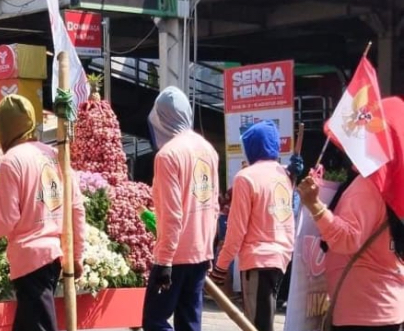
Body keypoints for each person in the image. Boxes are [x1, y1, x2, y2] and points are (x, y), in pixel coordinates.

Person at [0, 95, 85, 331]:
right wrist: (77, 254)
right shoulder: (55, 155)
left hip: (29, 259)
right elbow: (76, 207)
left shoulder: (12, 161)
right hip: (53, 256)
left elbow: (6, 220)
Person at [297, 95, 404, 331]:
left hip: (363, 313)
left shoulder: (367, 187)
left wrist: (314, 205)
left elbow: (347, 239)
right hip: (383, 307)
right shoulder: (391, 185)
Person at [143, 87, 220, 331]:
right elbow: (213, 205)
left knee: (154, 320)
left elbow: (172, 214)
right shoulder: (208, 150)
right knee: (189, 322)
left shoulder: (167, 156)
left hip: (174, 256)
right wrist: (209, 250)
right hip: (199, 252)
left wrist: (164, 261)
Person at [209, 121, 296, 331]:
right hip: (282, 258)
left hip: (258, 260)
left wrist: (220, 266)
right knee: (264, 322)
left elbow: (236, 229)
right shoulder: (284, 174)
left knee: (256, 326)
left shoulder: (246, 178)